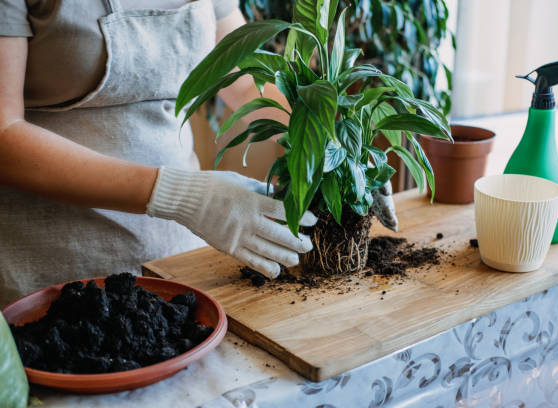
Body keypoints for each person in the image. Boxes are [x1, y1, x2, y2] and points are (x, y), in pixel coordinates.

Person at [0, 0, 398, 307]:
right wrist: (177, 194)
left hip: (178, 257)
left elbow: (244, 80)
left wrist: (334, 147)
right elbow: (4, 134)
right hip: (52, 273)